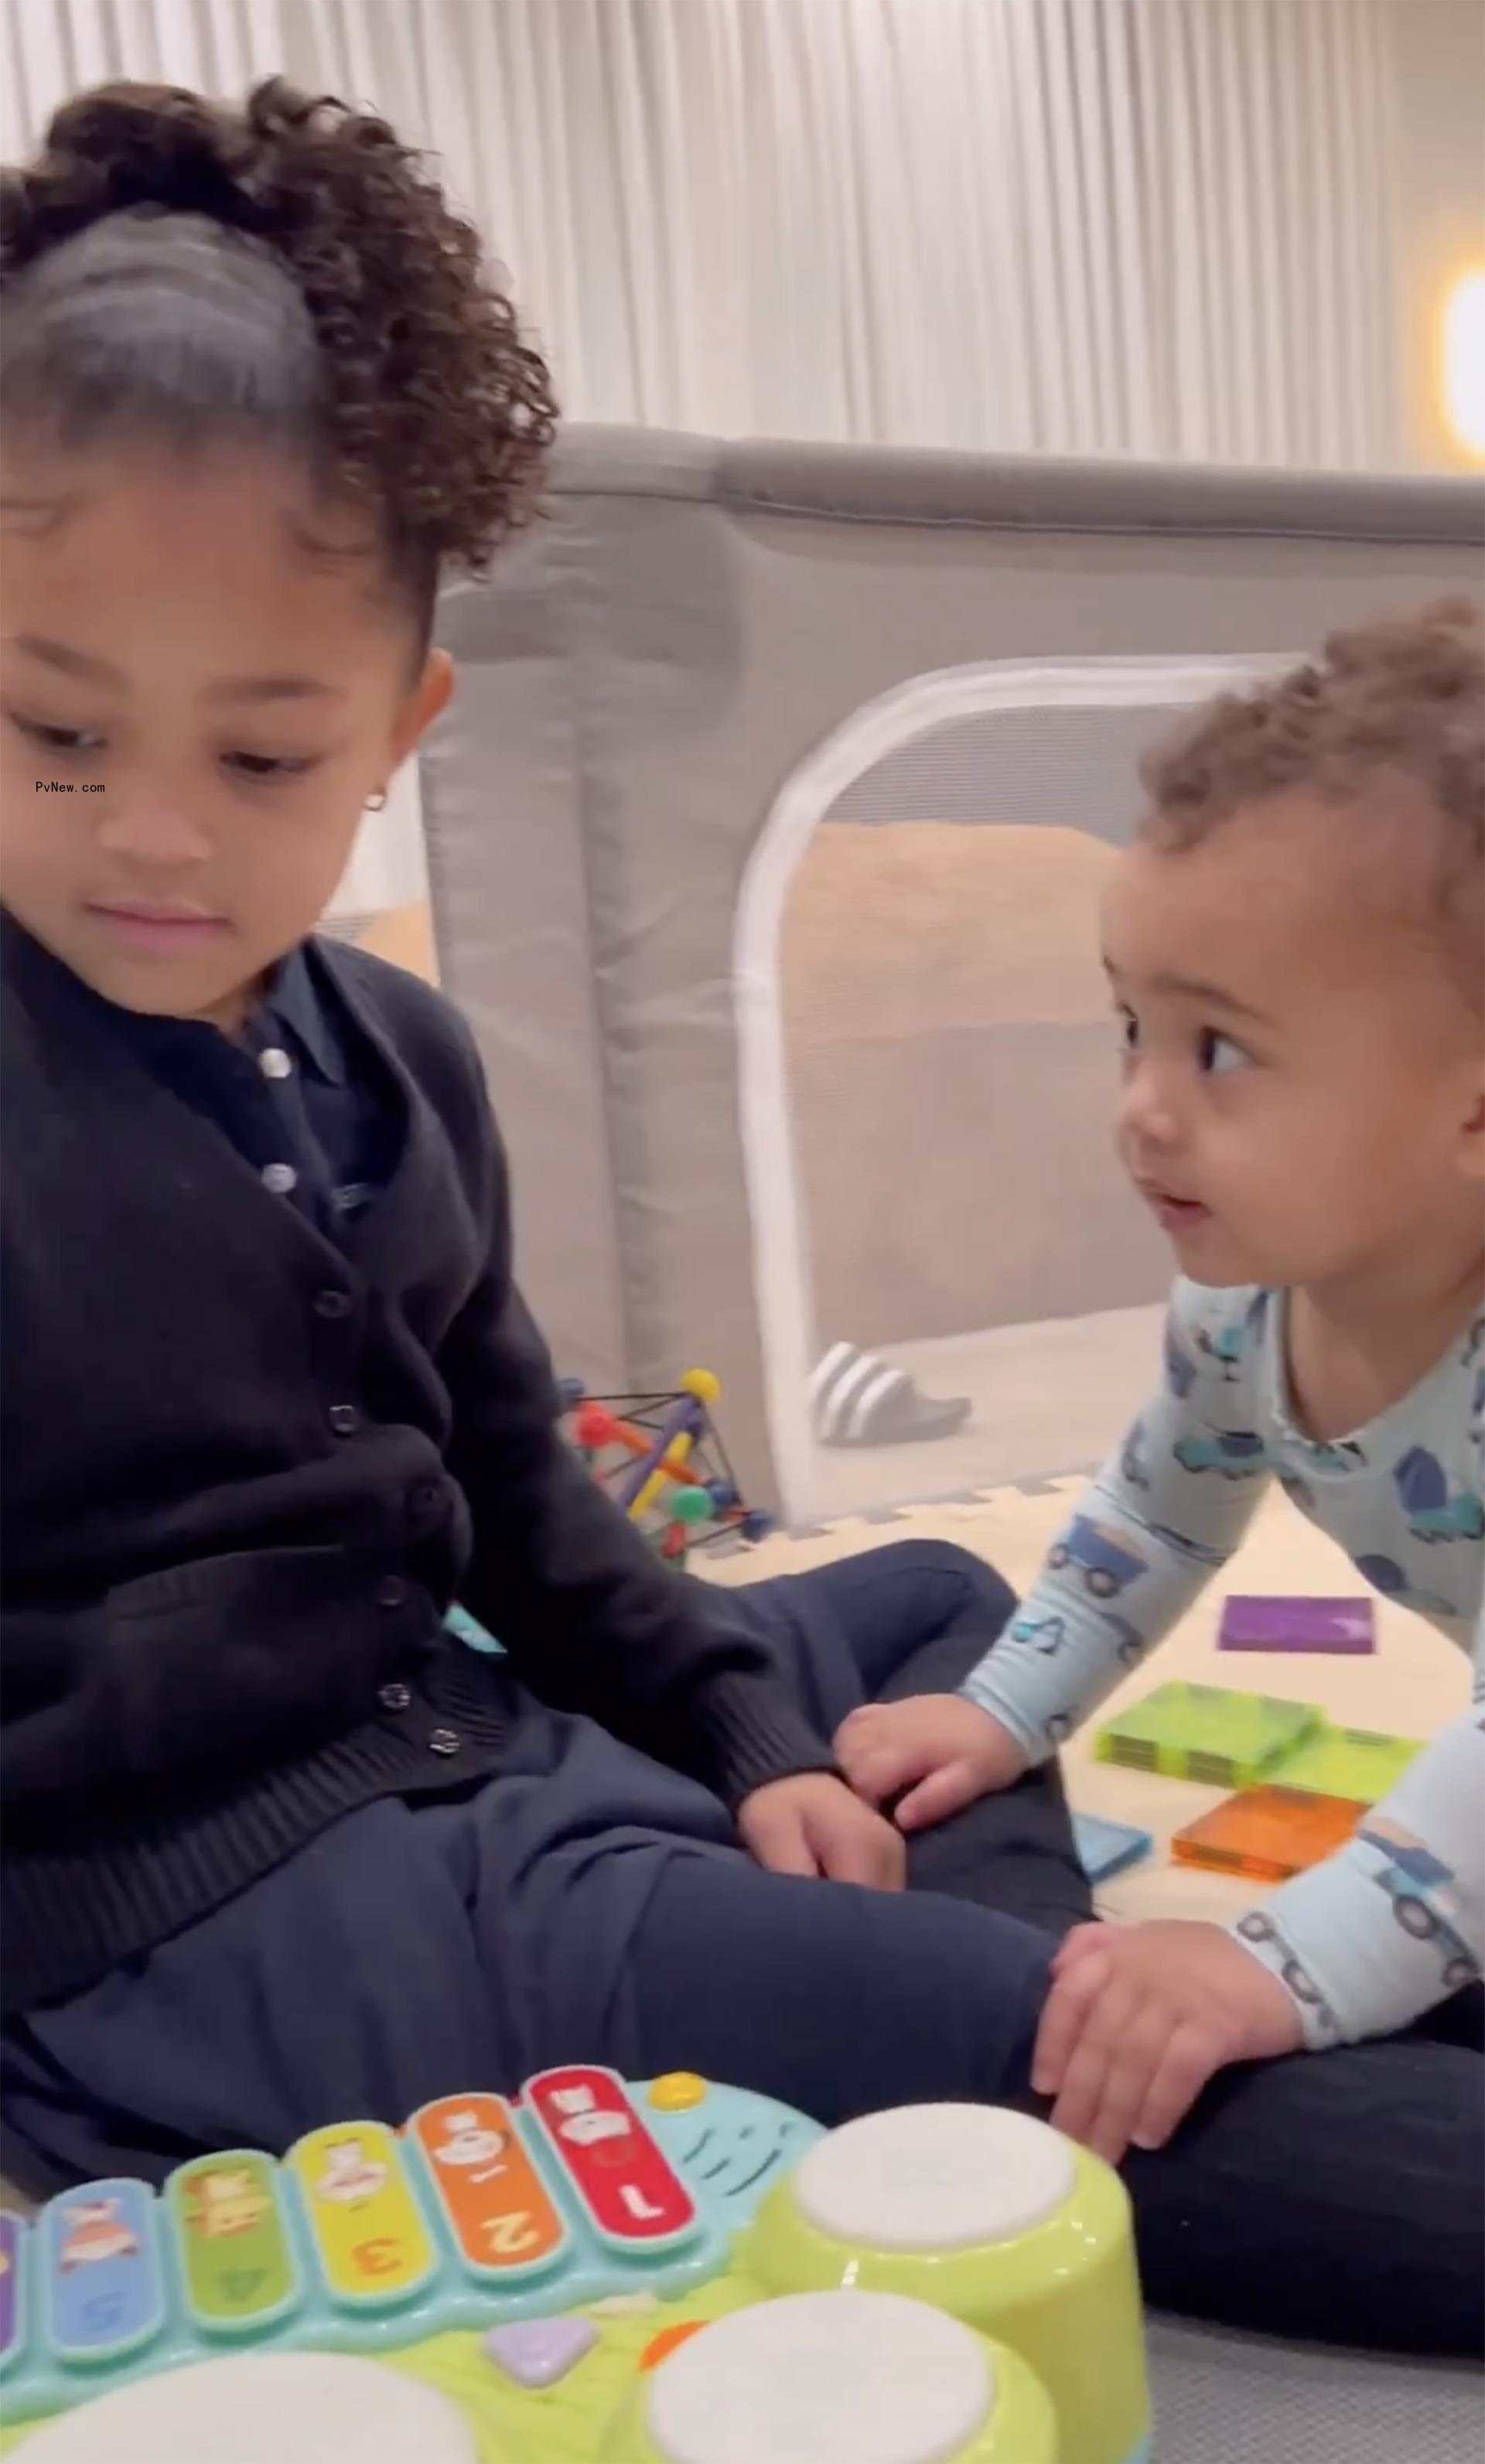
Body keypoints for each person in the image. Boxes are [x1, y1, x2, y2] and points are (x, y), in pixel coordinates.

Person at [0, 80, 1476, 2362]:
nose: (151, 835)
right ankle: (1002, 2034)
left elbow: (512, 1486)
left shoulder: (399, 1053)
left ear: (406, 720)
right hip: (243, 1895)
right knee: (1062, 2025)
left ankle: (922, 1985)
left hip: (475, 1744)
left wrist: (751, 1741)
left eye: (262, 757)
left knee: (941, 1629)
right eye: (52, 732)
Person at [840, 601, 1485, 2157]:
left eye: (1223, 1052)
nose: (1139, 1108)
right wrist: (1002, 1711)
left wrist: (1282, 1960)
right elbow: (1151, 1523)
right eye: (1137, 1024)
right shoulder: (1238, 1312)